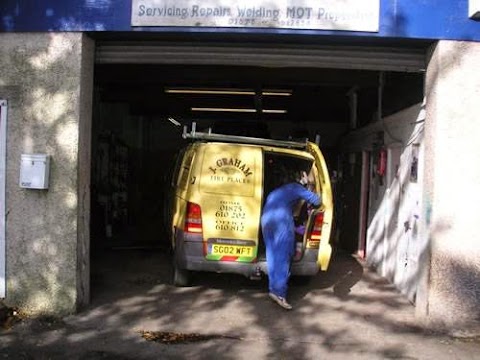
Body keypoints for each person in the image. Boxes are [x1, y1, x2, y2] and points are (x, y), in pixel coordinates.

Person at [261, 170, 321, 310]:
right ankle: (280, 294)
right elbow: (316, 201)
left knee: (272, 255)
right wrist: (312, 191)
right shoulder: (296, 188)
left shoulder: (279, 190)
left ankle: (273, 290)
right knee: (283, 256)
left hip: (266, 220)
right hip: (280, 221)